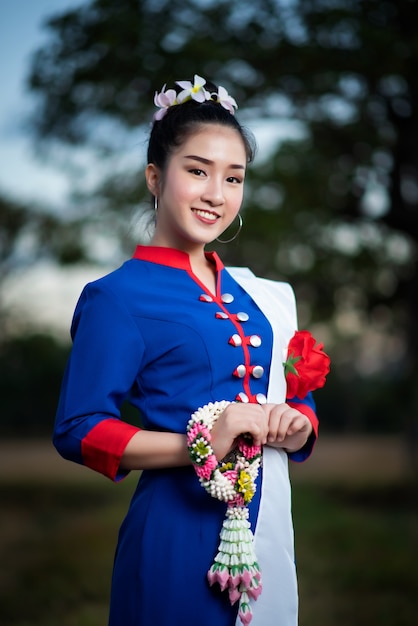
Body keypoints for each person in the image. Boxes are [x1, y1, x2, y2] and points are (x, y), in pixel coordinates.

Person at [53, 74, 324, 626]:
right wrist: (200, 442)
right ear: (155, 177)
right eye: (196, 171)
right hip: (176, 538)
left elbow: (298, 396)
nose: (215, 194)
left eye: (234, 178)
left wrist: (300, 426)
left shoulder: (263, 295)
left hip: (268, 531)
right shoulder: (117, 297)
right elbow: (79, 427)